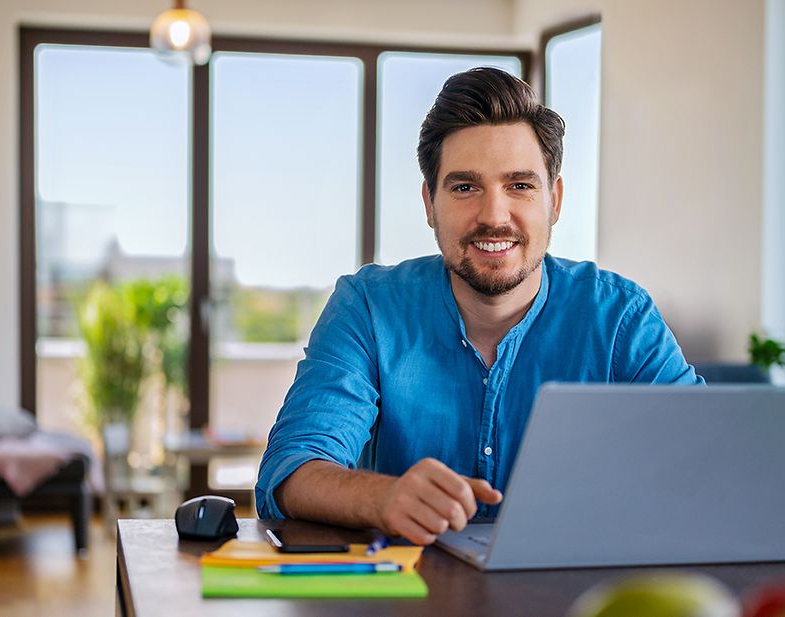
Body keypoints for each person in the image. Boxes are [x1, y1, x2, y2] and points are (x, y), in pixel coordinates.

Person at [254, 67, 702, 545]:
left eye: (520, 186)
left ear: (555, 200)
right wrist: (383, 498)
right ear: (430, 203)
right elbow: (292, 468)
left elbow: (709, 454)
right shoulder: (367, 306)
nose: (493, 216)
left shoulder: (619, 317)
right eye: (465, 187)